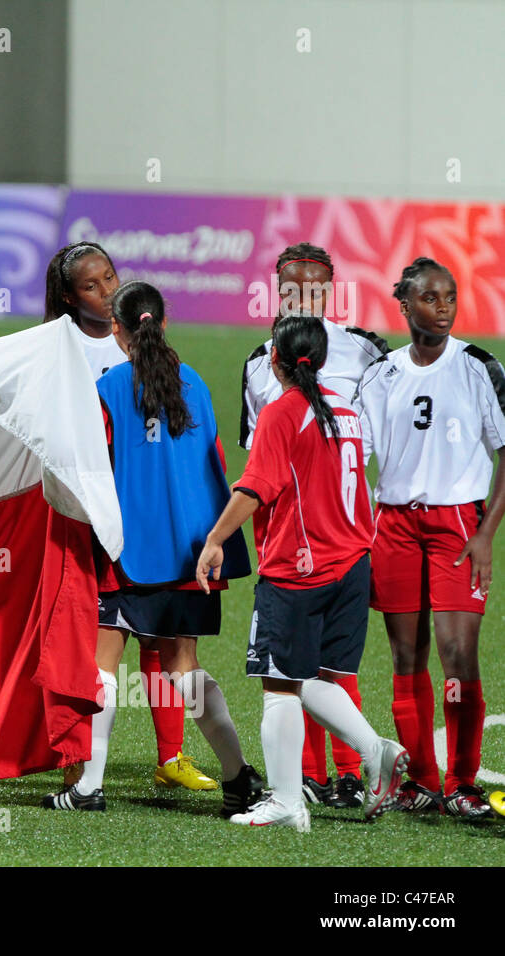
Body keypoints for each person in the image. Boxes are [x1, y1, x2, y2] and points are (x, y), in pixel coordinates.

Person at [42, 281, 262, 815]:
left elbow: (91, 471)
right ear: (162, 325)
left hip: (128, 550)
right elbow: (214, 465)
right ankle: (238, 777)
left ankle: (89, 786)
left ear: (116, 330)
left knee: (104, 664)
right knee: (182, 668)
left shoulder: (109, 389)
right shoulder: (197, 385)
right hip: (192, 550)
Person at [197, 312, 407, 831]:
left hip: (299, 571)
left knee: (279, 685)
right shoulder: (347, 412)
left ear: (276, 360)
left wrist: (216, 539)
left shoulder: (282, 412)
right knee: (315, 678)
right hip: (354, 565)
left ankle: (288, 800)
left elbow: (254, 487)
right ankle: (374, 750)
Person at [239, 242, 390, 809]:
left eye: (315, 283)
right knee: (294, 658)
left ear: (330, 286)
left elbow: (384, 437)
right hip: (285, 526)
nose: (304, 292)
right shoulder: (259, 361)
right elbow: (258, 455)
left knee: (328, 661)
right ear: (279, 287)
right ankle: (307, 773)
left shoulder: (367, 352)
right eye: (293, 283)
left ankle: (352, 771)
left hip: (345, 523)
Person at [354, 257, 503, 820]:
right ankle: (421, 780)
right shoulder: (381, 375)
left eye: (450, 297)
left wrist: (486, 532)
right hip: (393, 524)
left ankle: (463, 784)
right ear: (405, 303)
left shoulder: (479, 367)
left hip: (457, 524)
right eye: (430, 298)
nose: (443, 308)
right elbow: (357, 456)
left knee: (458, 655)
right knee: (406, 655)